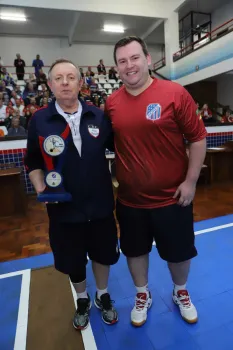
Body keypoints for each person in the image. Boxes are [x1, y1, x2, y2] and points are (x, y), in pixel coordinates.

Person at [105, 36, 207, 327]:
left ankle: (180, 291)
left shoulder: (175, 93)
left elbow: (198, 138)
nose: (129, 65)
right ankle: (142, 294)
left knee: (179, 252)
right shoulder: (111, 104)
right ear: (117, 67)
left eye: (134, 58)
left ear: (148, 59)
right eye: (122, 61)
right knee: (135, 251)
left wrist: (190, 182)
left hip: (173, 198)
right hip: (130, 201)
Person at [24, 58, 119, 330]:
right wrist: (41, 187)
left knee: (103, 254)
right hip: (64, 209)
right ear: (50, 84)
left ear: (81, 82)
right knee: (74, 259)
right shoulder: (40, 120)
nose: (65, 82)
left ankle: (102, 295)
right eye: (59, 78)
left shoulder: (99, 116)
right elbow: (32, 161)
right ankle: (82, 299)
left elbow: (121, 149)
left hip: (100, 204)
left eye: (71, 77)